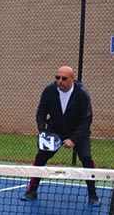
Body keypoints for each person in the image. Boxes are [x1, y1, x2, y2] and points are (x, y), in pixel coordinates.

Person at [23, 65, 99, 204]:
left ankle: (93, 195)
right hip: (54, 130)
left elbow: (86, 120)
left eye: (64, 78)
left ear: (72, 79)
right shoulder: (49, 90)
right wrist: (43, 131)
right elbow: (41, 111)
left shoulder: (82, 93)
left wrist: (73, 139)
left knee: (86, 158)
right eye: (57, 78)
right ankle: (32, 191)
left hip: (78, 132)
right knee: (40, 157)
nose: (60, 81)